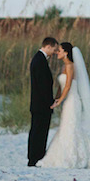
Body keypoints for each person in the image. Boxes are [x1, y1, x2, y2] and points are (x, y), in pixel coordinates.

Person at [36, 42, 90, 169]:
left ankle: (76, 157)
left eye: (60, 51)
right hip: (66, 101)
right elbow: (61, 87)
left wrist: (60, 100)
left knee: (72, 126)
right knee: (66, 126)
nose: (57, 53)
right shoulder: (64, 67)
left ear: (66, 53)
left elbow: (67, 86)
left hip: (72, 101)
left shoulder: (70, 66)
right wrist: (56, 98)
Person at [28, 37, 59, 167]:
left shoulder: (39, 59)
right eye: (54, 49)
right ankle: (35, 157)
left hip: (39, 104)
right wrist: (50, 102)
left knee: (38, 131)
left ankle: (36, 156)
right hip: (41, 104)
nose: (54, 52)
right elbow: (42, 86)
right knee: (39, 131)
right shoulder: (39, 60)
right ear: (48, 46)